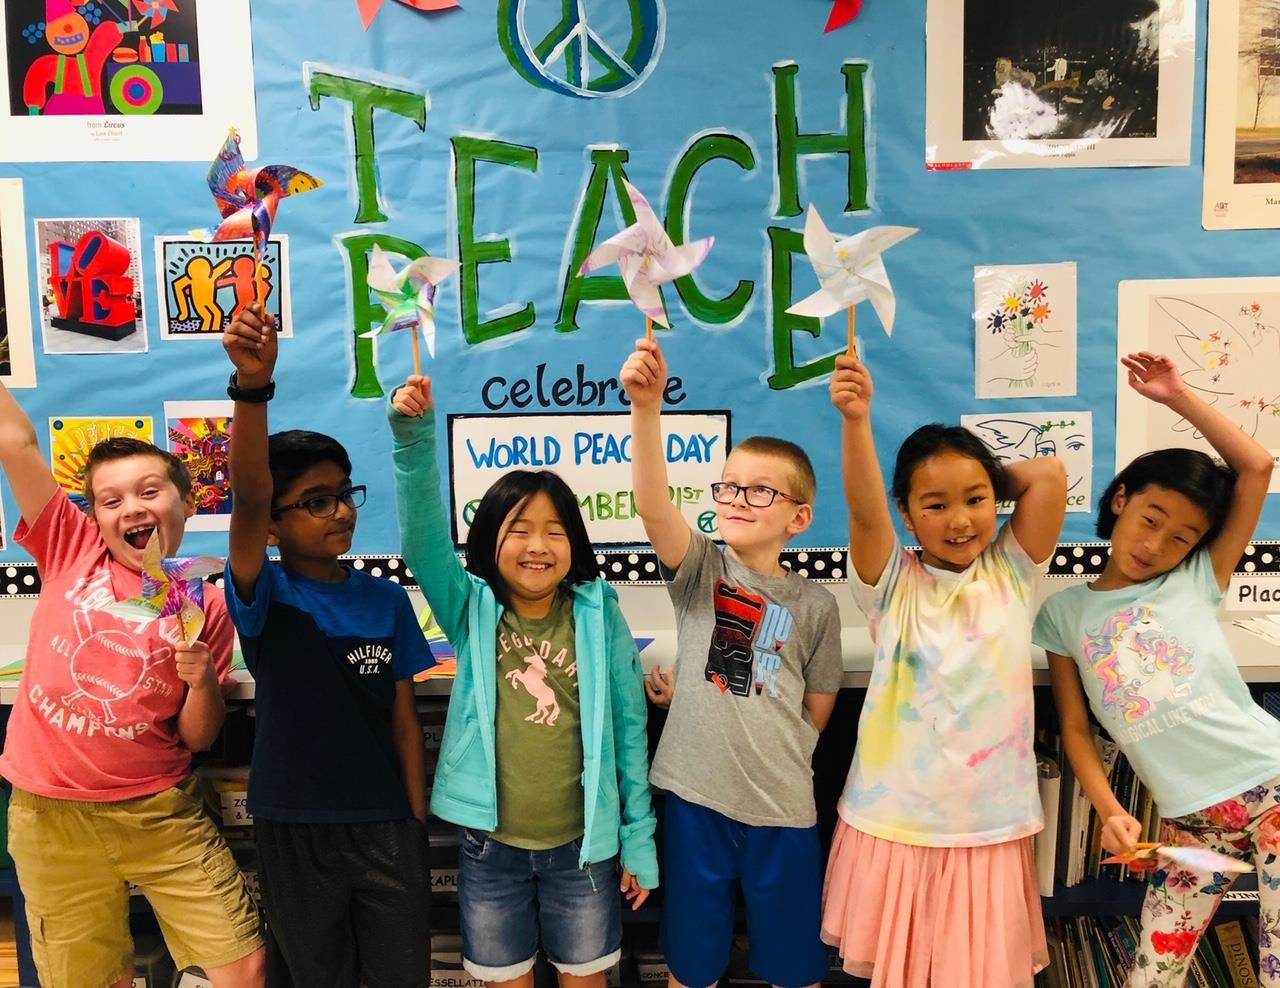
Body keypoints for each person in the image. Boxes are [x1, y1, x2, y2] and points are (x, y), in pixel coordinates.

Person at [387, 372, 657, 986]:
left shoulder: (597, 609)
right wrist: (412, 436)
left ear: (575, 543)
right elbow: (423, 537)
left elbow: (628, 725)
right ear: (490, 540)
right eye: (518, 530)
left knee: (586, 977)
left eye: (554, 531)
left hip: (586, 851)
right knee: (500, 978)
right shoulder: (471, 607)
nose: (537, 546)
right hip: (491, 851)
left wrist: (637, 837)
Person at [0, 380, 264, 987]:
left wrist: (200, 682)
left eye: (149, 492)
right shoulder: (72, 549)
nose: (132, 509)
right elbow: (17, 442)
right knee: (89, 976)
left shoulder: (203, 603)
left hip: (157, 811)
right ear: (92, 516)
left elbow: (198, 737)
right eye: (110, 500)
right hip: (49, 815)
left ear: (187, 502)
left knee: (243, 967)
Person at [1034, 352, 1280, 988]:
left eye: (1181, 537)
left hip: (1272, 790)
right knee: (1152, 975)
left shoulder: (1198, 579)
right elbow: (1077, 730)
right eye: (1150, 520)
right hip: (1192, 826)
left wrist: (1177, 398)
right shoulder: (1065, 614)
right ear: (1119, 501)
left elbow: (1255, 467)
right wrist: (1109, 805)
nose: (1156, 545)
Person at [823, 352, 1067, 988]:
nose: (960, 520)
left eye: (976, 501)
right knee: (899, 970)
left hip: (988, 821)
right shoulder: (892, 582)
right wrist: (857, 419)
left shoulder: (1012, 570)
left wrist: (971, 477)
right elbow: (866, 510)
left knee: (975, 972)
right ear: (906, 515)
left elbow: (1049, 474)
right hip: (897, 819)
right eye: (934, 506)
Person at [621, 337, 844, 988]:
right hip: (697, 804)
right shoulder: (701, 573)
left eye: (761, 491)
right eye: (729, 486)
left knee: (793, 962)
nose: (739, 498)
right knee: (693, 961)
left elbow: (817, 708)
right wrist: (646, 408)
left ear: (799, 517)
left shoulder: (815, 605)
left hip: (782, 812)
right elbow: (653, 505)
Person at [223, 303, 434, 986]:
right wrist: (252, 388)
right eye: (316, 500)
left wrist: (413, 815)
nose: (340, 510)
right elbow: (249, 498)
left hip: (385, 824)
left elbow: (403, 718)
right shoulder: (266, 594)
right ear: (276, 526)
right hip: (295, 825)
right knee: (317, 973)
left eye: (344, 493)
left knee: (401, 974)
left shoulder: (385, 599)